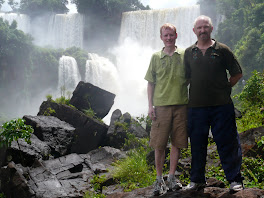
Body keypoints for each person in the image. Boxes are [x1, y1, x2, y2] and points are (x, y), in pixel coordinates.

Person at [184, 15, 244, 193]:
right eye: (199, 28)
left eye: (206, 27)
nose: (202, 30)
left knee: (227, 142)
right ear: (194, 31)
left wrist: (225, 88)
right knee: (197, 143)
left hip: (221, 105)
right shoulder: (188, 52)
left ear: (211, 29)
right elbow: (185, 78)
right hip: (195, 107)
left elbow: (237, 73)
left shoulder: (222, 49)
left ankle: (234, 179)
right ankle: (197, 180)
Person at [144, 23, 189, 196]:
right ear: (161, 37)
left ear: (176, 35)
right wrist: (150, 105)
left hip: (180, 105)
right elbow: (150, 83)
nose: (169, 38)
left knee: (177, 142)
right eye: (165, 35)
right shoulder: (155, 57)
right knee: (159, 144)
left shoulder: (184, 55)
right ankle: (158, 179)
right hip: (161, 106)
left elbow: (191, 78)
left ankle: (171, 177)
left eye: (171, 35)